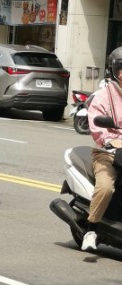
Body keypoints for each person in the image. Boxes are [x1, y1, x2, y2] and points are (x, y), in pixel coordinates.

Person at [83, 46, 122, 251]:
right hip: (108, 152)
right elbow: (97, 126)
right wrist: (111, 140)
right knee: (106, 187)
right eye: (120, 68)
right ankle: (92, 229)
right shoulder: (103, 96)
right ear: (113, 71)